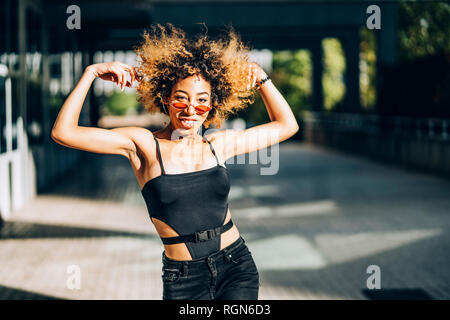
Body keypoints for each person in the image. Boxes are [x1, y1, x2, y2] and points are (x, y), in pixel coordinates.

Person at [51, 23, 299, 300]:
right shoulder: (144, 145)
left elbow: (287, 125)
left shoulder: (219, 144)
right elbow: (63, 133)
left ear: (212, 105)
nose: (191, 109)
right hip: (183, 278)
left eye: (202, 101)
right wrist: (90, 73)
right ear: (166, 98)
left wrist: (262, 80)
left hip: (235, 265)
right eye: (181, 99)